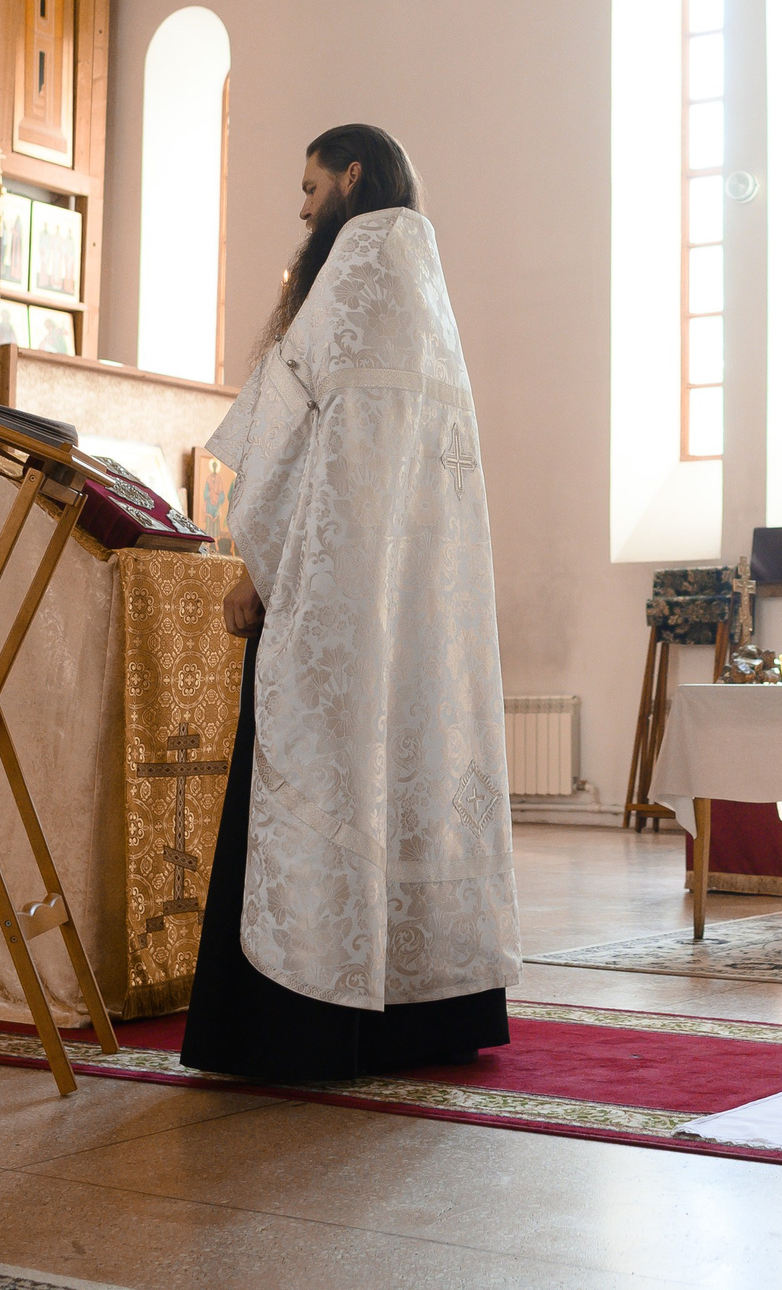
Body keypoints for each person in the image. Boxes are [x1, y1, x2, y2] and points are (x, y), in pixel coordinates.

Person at [182, 123, 519, 1081]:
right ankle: (428, 1020)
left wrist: (258, 568)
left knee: (318, 785)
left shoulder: (345, 282)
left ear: (351, 176)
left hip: (333, 605)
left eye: (308, 182)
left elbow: (293, 448)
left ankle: (295, 1028)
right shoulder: (426, 291)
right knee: (409, 776)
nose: (300, 205)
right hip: (416, 615)